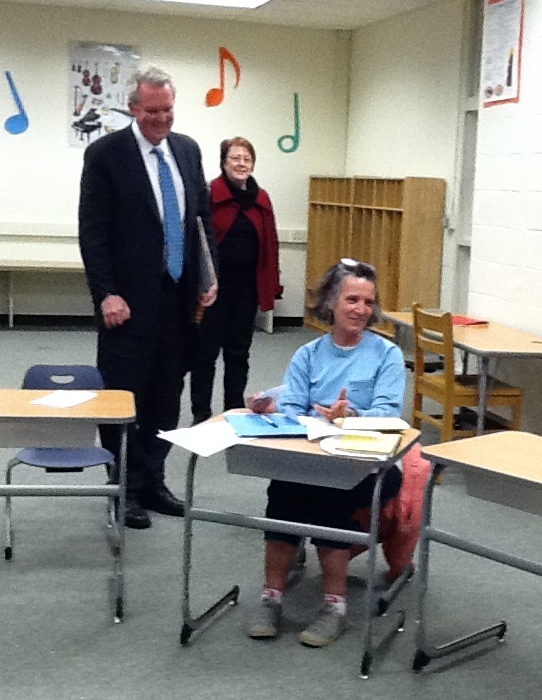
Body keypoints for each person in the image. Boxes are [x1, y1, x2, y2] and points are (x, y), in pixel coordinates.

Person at [78, 66, 217, 530]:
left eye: (168, 109)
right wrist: (106, 294)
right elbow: (93, 232)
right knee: (123, 396)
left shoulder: (187, 150)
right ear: (134, 108)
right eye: (153, 111)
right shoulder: (106, 155)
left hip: (178, 300)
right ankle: (124, 486)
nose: (162, 118)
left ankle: (153, 479)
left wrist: (208, 275)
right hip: (127, 303)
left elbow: (201, 221)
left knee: (166, 396)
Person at [246, 259, 406, 647]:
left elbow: (389, 414)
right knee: (282, 491)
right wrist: (280, 408)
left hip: (373, 465)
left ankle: (334, 606)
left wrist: (352, 416)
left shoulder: (387, 354)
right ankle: (271, 597)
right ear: (331, 302)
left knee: (330, 497)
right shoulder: (308, 354)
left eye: (368, 302)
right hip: (314, 456)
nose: (361, 310)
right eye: (352, 300)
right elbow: (292, 406)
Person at [190, 137, 282, 425]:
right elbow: (197, 242)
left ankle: (233, 408)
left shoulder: (261, 199)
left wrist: (271, 284)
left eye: (247, 159)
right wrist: (199, 284)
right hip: (213, 290)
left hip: (246, 289)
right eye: (235, 158)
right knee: (205, 353)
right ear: (224, 162)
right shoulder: (208, 194)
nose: (241, 164)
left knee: (238, 353)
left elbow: (270, 244)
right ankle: (201, 412)